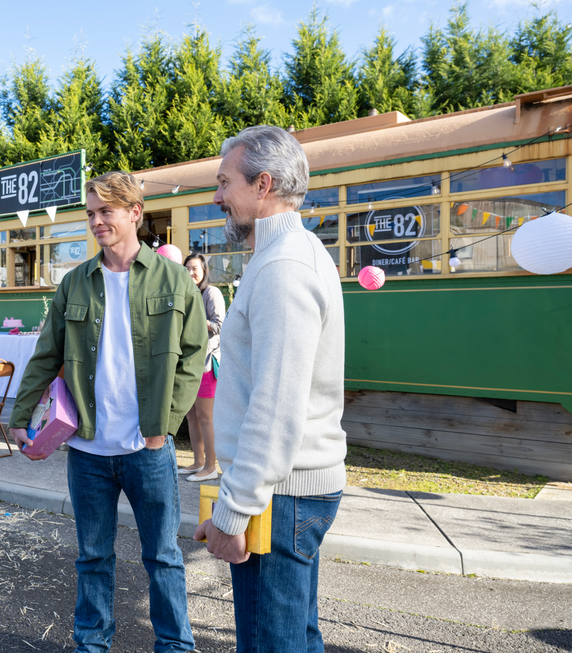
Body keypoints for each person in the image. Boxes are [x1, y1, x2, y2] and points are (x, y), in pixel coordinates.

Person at [9, 171, 207, 653]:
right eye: (91, 214)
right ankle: (91, 644)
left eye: (106, 212)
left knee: (162, 556)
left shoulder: (174, 279)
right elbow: (46, 353)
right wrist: (20, 415)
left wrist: (165, 428)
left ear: (134, 213)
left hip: (147, 448)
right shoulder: (75, 282)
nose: (96, 222)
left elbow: (193, 357)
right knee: (93, 556)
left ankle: (175, 646)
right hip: (87, 450)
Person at [193, 126, 346, 653]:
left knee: (270, 643)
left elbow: (276, 407)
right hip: (289, 490)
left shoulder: (282, 267)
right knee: (296, 636)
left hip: (281, 498)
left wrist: (233, 513)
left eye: (223, 182)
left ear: (262, 185)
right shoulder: (292, 254)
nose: (217, 196)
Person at [179, 253, 225, 482]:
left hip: (207, 363)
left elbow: (219, 326)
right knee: (192, 417)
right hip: (189, 364)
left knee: (206, 417)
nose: (190, 273)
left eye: (194, 268)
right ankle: (198, 462)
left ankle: (210, 467)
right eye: (186, 268)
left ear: (204, 270)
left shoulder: (211, 293)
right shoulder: (188, 293)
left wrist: (196, 317)